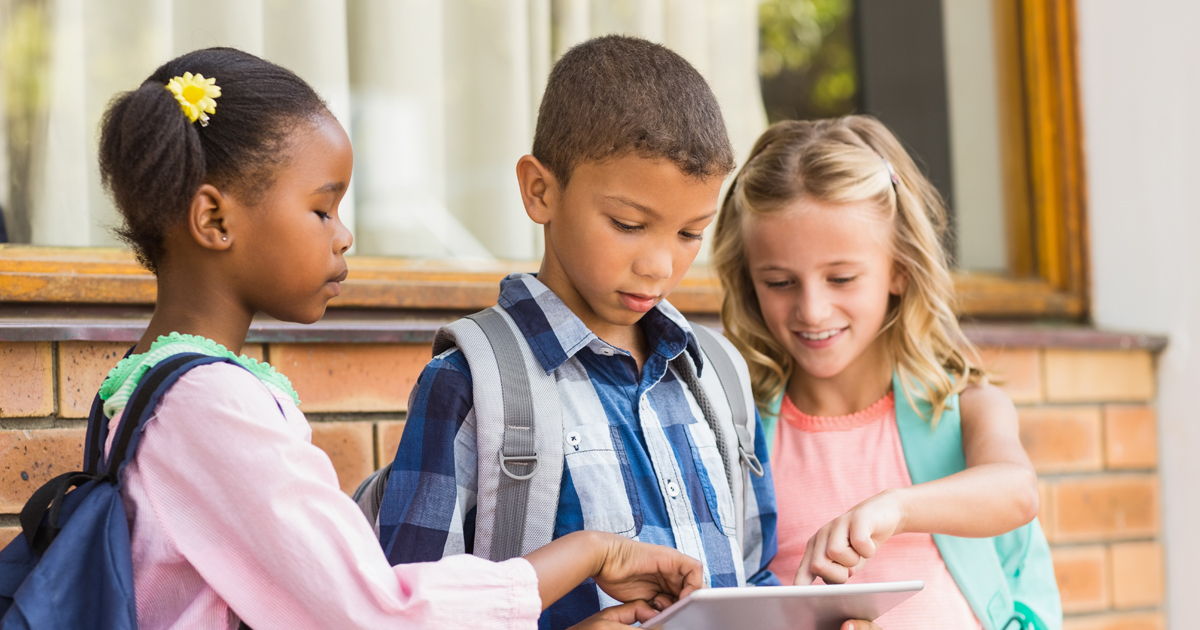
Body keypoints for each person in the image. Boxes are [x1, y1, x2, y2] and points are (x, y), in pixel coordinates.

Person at [93, 46, 711, 630]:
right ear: (215, 219)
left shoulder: (146, 386)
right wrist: (589, 552)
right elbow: (381, 612)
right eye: (322, 209)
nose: (344, 236)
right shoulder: (210, 405)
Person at [376, 35, 797, 630]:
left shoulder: (719, 377)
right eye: (628, 224)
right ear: (540, 190)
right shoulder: (474, 385)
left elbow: (754, 578)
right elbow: (407, 613)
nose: (659, 265)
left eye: (689, 233)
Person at [711, 116, 1060, 629]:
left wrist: (895, 509)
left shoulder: (961, 408)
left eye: (842, 278)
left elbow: (1016, 491)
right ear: (749, 281)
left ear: (899, 268)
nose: (812, 309)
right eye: (781, 281)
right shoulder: (739, 432)